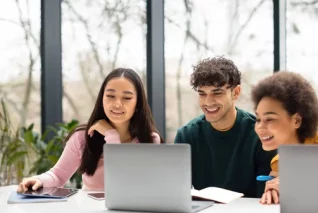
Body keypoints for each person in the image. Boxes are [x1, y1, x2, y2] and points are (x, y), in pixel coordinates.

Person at [18, 68, 163, 192]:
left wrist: (111, 135)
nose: (117, 104)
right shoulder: (83, 137)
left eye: (126, 98)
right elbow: (58, 176)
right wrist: (37, 180)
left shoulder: (149, 140)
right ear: (102, 99)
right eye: (110, 96)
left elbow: (123, 183)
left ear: (137, 104)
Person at [174, 56, 277, 198]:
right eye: (202, 94)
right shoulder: (186, 135)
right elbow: (177, 191)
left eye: (217, 93)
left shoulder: (260, 134)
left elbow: (266, 194)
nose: (208, 102)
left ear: (235, 93)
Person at [251, 71, 318, 205]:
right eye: (258, 119)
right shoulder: (278, 162)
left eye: (270, 119)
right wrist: (273, 192)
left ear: (297, 121)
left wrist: (296, 184)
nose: (260, 127)